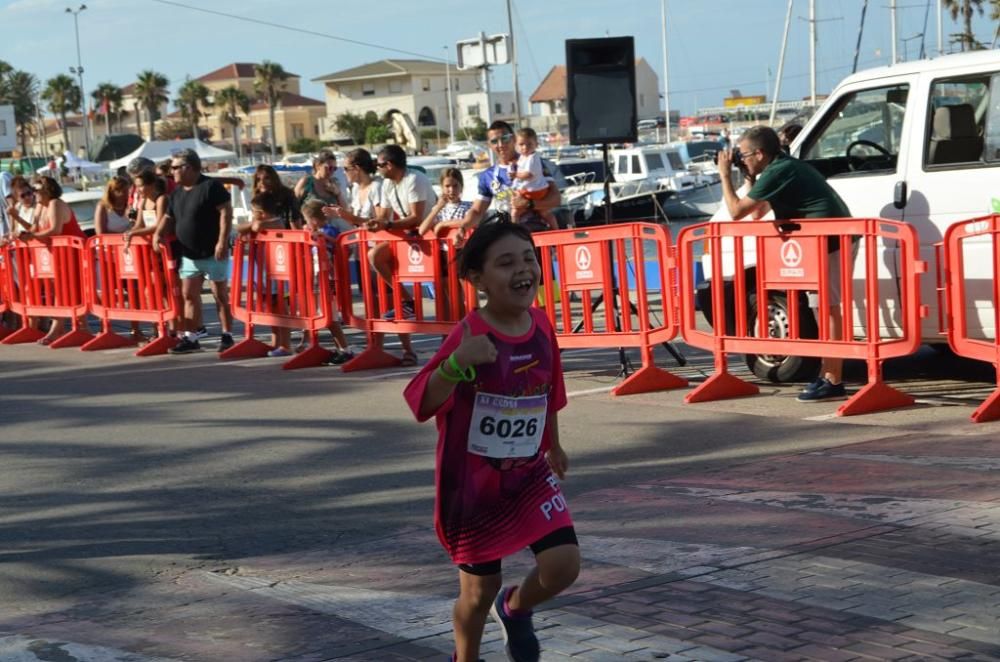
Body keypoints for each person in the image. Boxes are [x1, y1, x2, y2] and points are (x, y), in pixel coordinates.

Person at [404, 221, 579, 662]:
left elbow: (548, 392)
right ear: (478, 279)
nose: (522, 270)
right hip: (475, 487)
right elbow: (420, 401)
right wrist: (455, 364)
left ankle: (517, 609)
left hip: (530, 473)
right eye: (505, 263)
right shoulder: (468, 335)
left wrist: (553, 445)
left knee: (563, 566)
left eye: (527, 259)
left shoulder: (540, 323)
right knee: (479, 592)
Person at [717, 125, 854, 402]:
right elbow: (758, 214)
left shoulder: (780, 170)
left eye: (743, 155)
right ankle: (828, 375)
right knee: (822, 308)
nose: (740, 159)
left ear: (759, 153)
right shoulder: (778, 169)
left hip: (831, 241)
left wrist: (723, 174)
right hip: (822, 241)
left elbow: (736, 212)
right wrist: (746, 174)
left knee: (829, 309)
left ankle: (834, 379)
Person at [153, 149, 235, 354]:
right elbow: (168, 217)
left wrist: (222, 242)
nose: (172, 172)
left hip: (212, 252)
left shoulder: (211, 187)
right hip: (189, 254)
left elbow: (226, 211)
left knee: (220, 295)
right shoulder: (177, 193)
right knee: (189, 294)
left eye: (174, 168)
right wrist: (158, 234)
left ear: (187, 167)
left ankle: (227, 335)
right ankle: (191, 338)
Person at [366, 144, 436, 365]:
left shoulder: (414, 179)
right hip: (409, 235)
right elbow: (385, 216)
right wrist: (375, 223)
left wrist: (386, 223)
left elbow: (416, 217)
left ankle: (451, 342)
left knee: (444, 291)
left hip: (431, 233)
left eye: (378, 165)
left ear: (389, 164)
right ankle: (407, 301)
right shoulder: (387, 183)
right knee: (375, 256)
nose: (377, 170)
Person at [13, 176, 87, 345]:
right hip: (57, 254)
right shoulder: (40, 206)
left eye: (36, 190)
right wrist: (20, 225)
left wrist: (32, 236)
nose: (33, 194)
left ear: (47, 190)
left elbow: (55, 229)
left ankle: (61, 329)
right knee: (61, 290)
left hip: (73, 251)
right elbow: (33, 229)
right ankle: (76, 329)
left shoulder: (55, 203)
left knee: (70, 290)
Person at [466, 120, 561, 233]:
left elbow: (556, 199)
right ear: (489, 145)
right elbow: (477, 211)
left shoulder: (532, 163)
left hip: (539, 235)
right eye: (494, 141)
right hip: (510, 240)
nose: (500, 145)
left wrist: (529, 204)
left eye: (505, 138)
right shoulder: (487, 176)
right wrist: (463, 227)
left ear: (514, 139)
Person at [236, 191, 293, 357]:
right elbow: (240, 228)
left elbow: (255, 227)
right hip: (266, 275)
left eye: (253, 212)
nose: (252, 215)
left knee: (281, 310)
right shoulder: (264, 221)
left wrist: (253, 223)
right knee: (272, 310)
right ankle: (276, 341)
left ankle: (286, 344)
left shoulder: (276, 222)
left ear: (261, 213)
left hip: (279, 275)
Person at [300, 199, 354, 364]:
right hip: (316, 279)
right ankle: (332, 347)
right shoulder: (313, 232)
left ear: (314, 220)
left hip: (327, 280)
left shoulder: (329, 231)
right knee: (317, 313)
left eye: (307, 220)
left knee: (331, 317)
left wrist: (321, 237)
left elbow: (338, 246)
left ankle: (344, 349)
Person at [323, 148, 380, 233]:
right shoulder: (355, 188)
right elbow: (353, 220)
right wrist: (340, 214)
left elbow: (379, 223)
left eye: (346, 169)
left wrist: (347, 216)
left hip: (378, 241)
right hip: (362, 241)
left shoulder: (377, 186)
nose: (344, 173)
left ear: (356, 168)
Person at [510, 128, 557, 230]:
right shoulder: (524, 157)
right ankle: (556, 229)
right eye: (521, 144)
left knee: (515, 211)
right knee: (544, 212)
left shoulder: (533, 158)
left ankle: (514, 232)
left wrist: (515, 175)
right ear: (516, 145)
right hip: (535, 189)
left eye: (529, 144)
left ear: (536, 144)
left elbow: (528, 175)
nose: (525, 147)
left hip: (534, 191)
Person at [253, 164, 300, 229]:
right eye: (258, 179)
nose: (262, 182)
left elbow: (294, 222)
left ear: (274, 179)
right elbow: (254, 222)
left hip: (285, 234)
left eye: (267, 178)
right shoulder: (257, 199)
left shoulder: (287, 195)